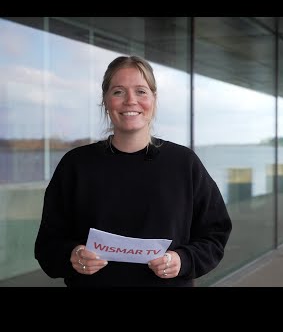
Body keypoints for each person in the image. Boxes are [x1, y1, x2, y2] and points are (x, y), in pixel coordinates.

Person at [34, 55, 232, 287]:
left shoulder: (184, 164)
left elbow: (215, 234)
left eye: (141, 91)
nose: (130, 100)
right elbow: (47, 244)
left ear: (154, 99)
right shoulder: (75, 165)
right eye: (118, 91)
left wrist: (184, 259)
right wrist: (72, 255)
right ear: (106, 101)